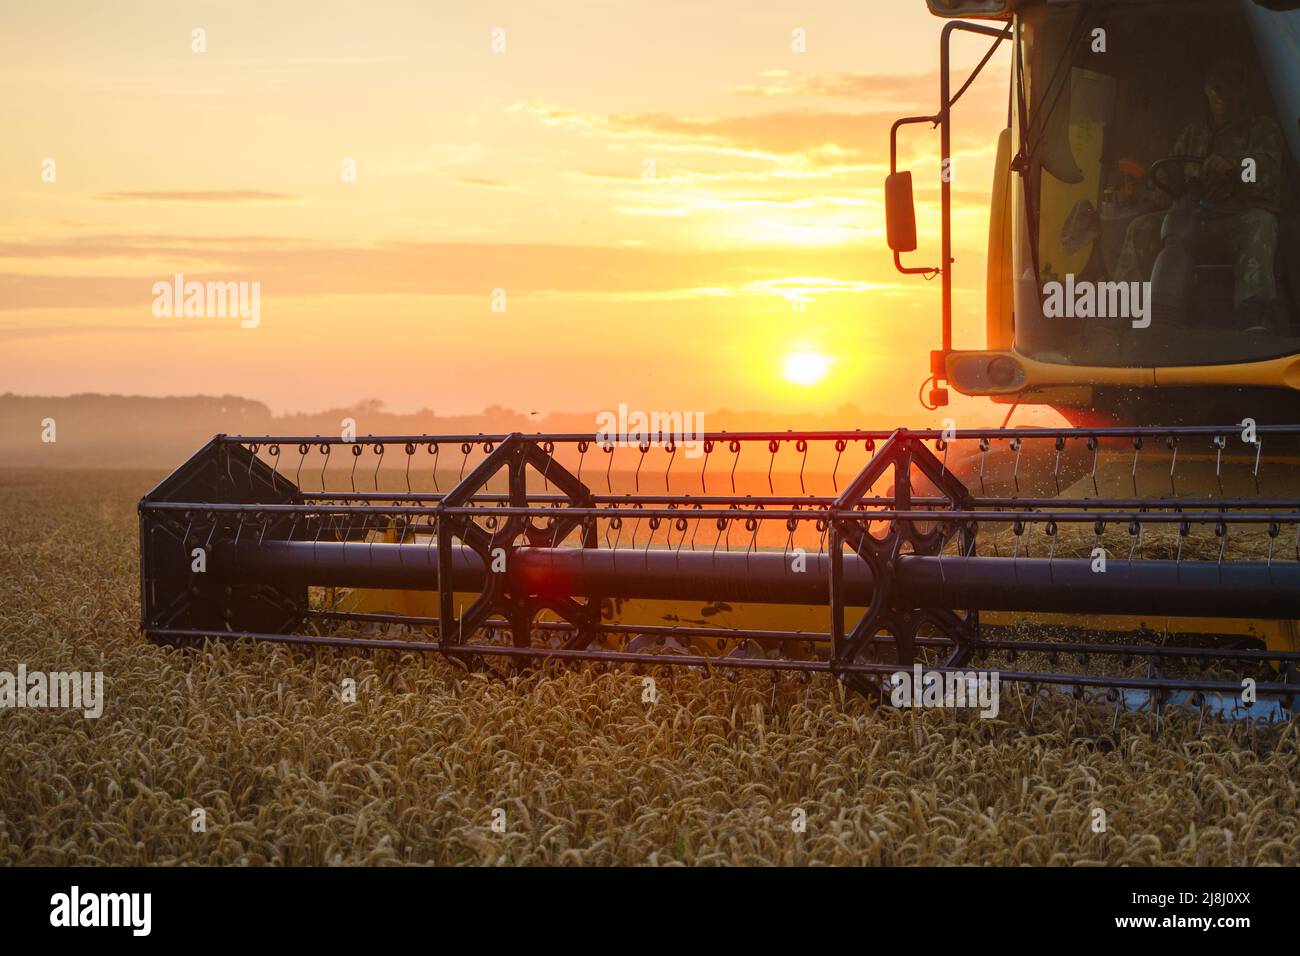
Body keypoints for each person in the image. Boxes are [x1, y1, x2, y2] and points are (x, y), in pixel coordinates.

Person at [1113, 58, 1283, 332]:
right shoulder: (1194, 133)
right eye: (1213, 87)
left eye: (1227, 86)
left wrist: (1235, 166)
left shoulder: (1261, 129)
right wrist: (1147, 188)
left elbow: (1268, 173)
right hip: (1190, 220)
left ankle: (1254, 314)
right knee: (1139, 228)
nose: (1219, 93)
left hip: (1234, 217)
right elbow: (1169, 173)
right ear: (1206, 91)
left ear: (1241, 91)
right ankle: (1119, 313)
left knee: (1261, 223)